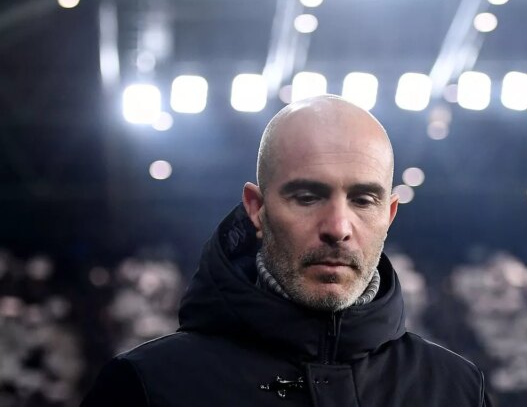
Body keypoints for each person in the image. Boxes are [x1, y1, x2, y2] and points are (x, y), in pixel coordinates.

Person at [81, 95, 492, 406]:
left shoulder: (457, 388)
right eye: (308, 197)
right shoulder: (147, 386)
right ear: (256, 209)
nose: (337, 228)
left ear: (389, 214)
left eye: (363, 200)